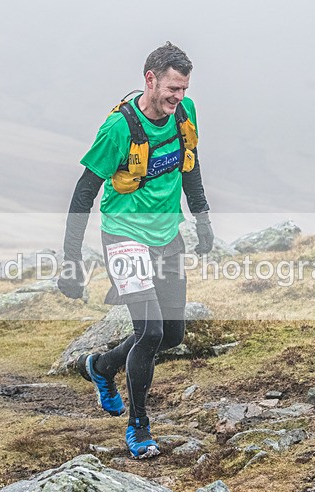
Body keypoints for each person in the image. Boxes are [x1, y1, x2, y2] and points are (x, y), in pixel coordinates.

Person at [57, 42, 213, 459]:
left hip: (167, 237)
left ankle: (102, 367)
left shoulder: (185, 113)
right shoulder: (118, 129)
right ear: (150, 79)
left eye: (183, 89)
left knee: (173, 333)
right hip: (124, 236)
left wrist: (202, 218)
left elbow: (191, 165)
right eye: (172, 88)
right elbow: (83, 193)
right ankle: (139, 427)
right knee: (151, 331)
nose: (178, 97)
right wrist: (71, 261)